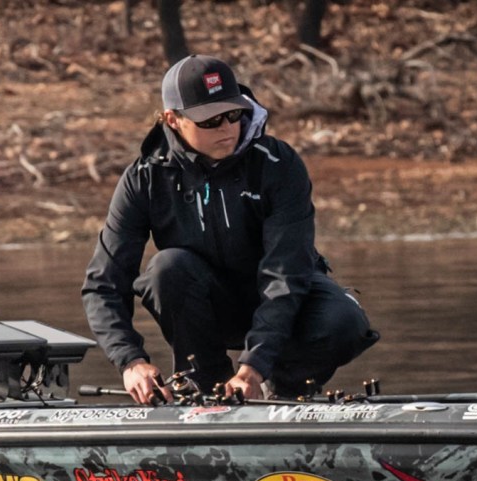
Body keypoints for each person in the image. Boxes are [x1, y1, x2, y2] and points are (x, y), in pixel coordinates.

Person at [82, 55, 379, 405]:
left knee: (344, 320)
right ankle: (207, 388)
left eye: (234, 114)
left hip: (285, 300)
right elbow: (104, 285)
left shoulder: (278, 164)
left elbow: (286, 273)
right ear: (173, 120)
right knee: (167, 269)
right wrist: (131, 361)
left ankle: (278, 391)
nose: (226, 128)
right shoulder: (144, 178)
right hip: (206, 304)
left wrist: (254, 367)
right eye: (210, 120)